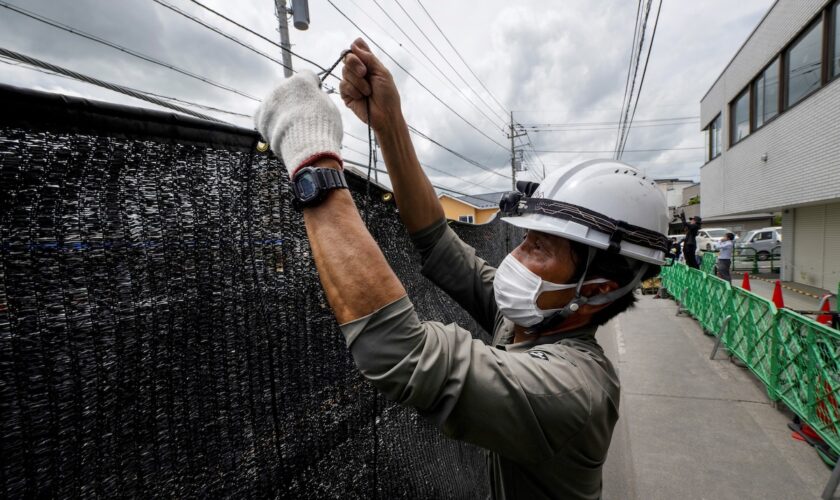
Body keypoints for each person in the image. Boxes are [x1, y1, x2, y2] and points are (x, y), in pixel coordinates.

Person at [254, 38, 669, 499]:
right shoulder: (532, 321)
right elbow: (436, 237)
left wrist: (312, 160)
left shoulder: (571, 391)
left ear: (594, 291)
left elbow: (399, 353)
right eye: (525, 238)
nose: (516, 256)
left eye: (540, 248)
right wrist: (389, 122)